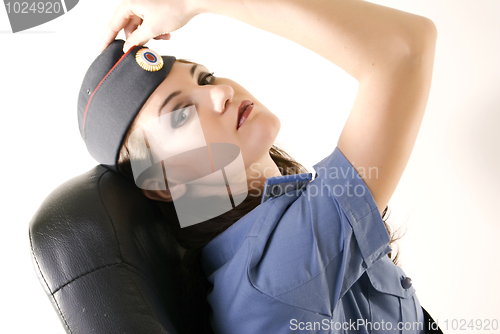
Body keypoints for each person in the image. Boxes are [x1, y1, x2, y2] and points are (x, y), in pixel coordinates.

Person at [78, 0, 439, 333]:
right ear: (162, 181)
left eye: (205, 78)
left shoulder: (267, 239)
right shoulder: (276, 269)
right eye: (180, 116)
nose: (220, 93)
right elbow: (404, 49)